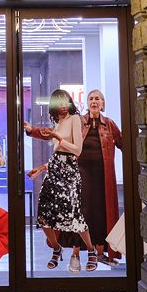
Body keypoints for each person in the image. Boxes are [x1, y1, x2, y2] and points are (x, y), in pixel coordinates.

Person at [25, 89, 101, 272]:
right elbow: (55, 150)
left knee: (73, 213)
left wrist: (58, 138)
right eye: (59, 102)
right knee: (43, 214)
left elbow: (77, 150)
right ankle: (56, 249)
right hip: (55, 167)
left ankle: (91, 251)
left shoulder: (75, 118)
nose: (63, 105)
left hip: (70, 170)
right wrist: (42, 168)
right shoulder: (58, 121)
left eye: (65, 101)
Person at [70, 89, 125, 268]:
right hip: (81, 173)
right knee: (81, 211)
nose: (94, 101)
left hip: (103, 175)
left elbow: (125, 144)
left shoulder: (109, 124)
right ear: (87, 103)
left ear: (102, 104)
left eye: (98, 99)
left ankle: (101, 253)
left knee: (102, 212)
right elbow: (62, 139)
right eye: (91, 98)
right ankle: (77, 254)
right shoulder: (79, 122)